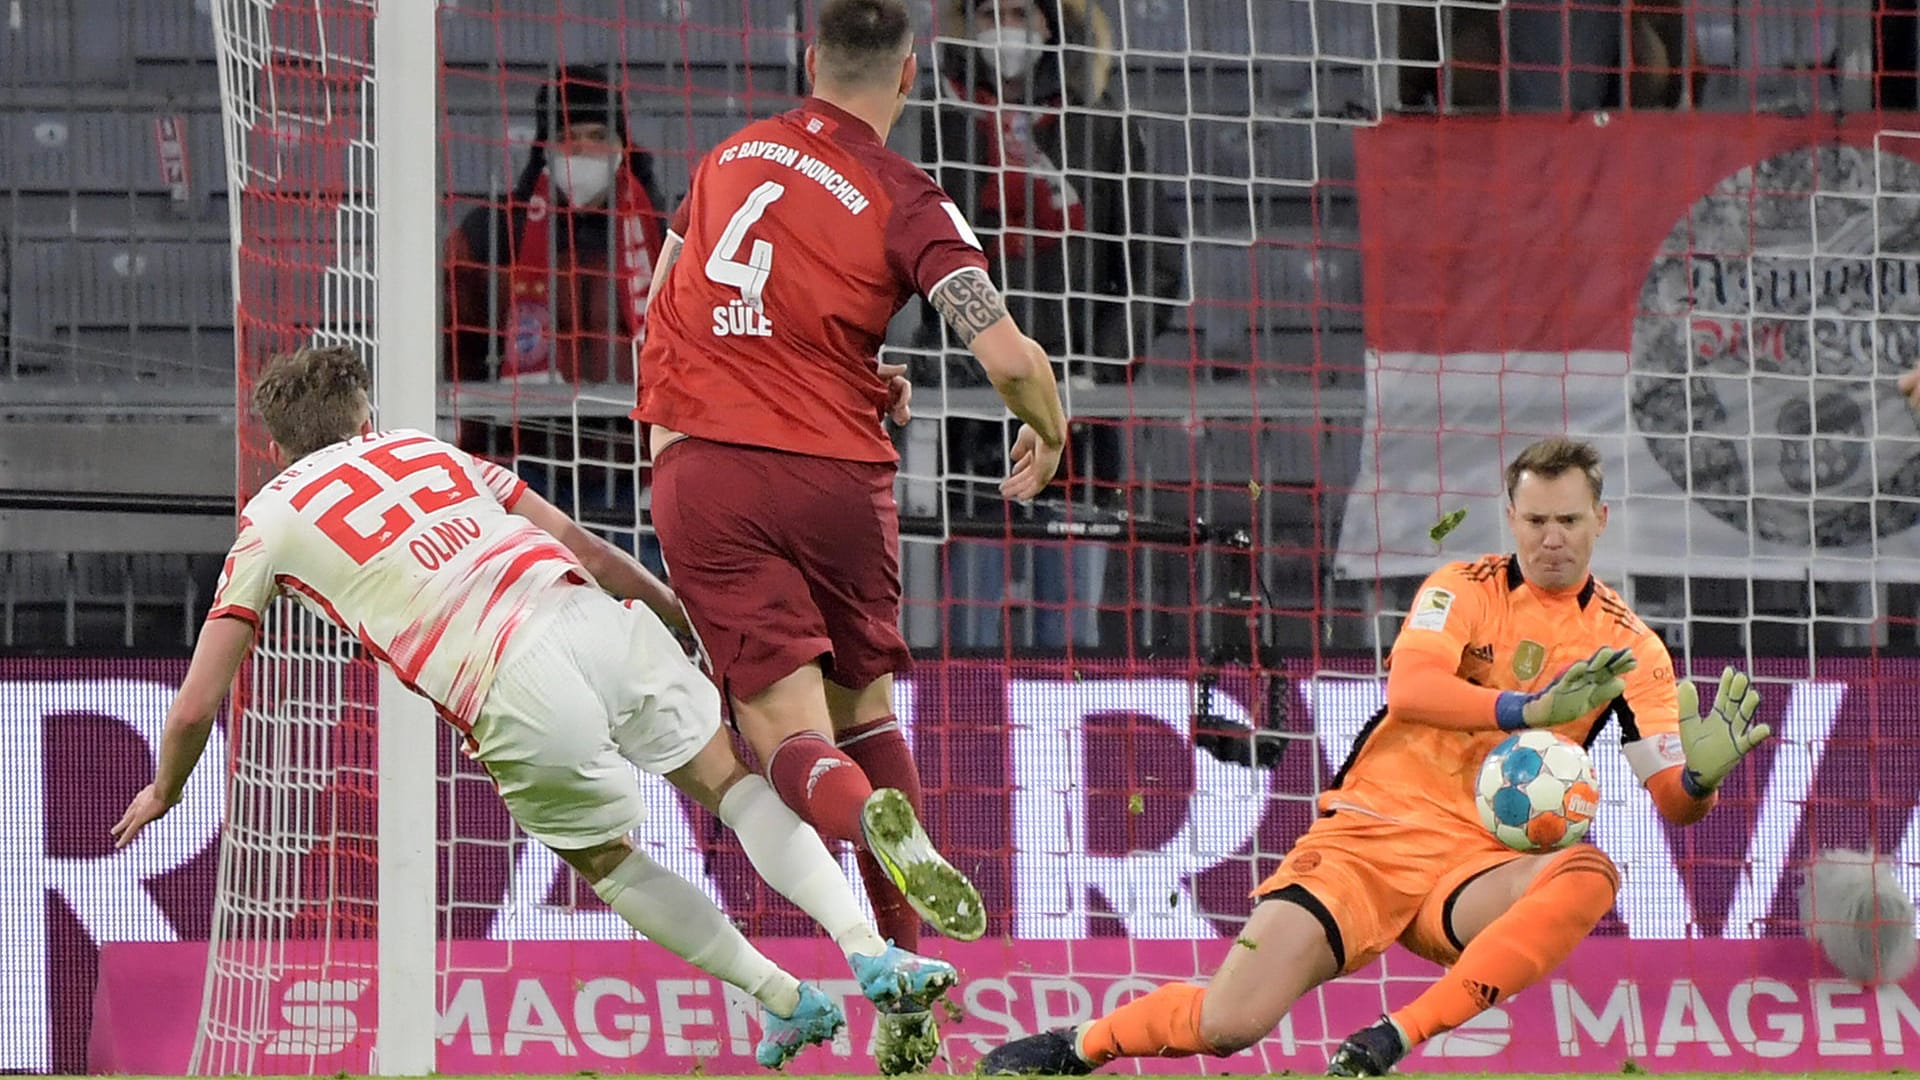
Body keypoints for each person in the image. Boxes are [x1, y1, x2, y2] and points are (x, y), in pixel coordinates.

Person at [110, 345, 963, 1072]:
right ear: (364, 414)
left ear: (276, 445)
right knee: (736, 788)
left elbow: (195, 705)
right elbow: (587, 545)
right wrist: (681, 619)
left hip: (506, 685)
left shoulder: (270, 517)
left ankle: (780, 996)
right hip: (586, 614)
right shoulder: (430, 452)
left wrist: (168, 788)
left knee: (609, 863)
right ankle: (866, 947)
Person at [978, 437, 1773, 1077]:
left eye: (1568, 520)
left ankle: (1389, 1040)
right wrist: (1530, 711)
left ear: (1601, 518)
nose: (1551, 538)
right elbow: (1411, 691)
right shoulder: (1461, 586)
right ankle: (1079, 1048)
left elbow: (1673, 798)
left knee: (1589, 874)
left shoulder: (1633, 645)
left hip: (1476, 867)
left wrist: (1700, 779)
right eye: (1534, 521)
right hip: (1369, 837)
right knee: (1229, 1026)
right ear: (1511, 517)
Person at [634, 0, 1070, 1070]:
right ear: (912, 74)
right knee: (865, 707)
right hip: (834, 478)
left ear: (811, 57)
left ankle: (857, 822)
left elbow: (662, 304)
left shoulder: (726, 157)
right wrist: (1048, 430)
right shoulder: (905, 195)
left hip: (704, 471)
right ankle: (910, 990)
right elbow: (1005, 351)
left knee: (785, 737)